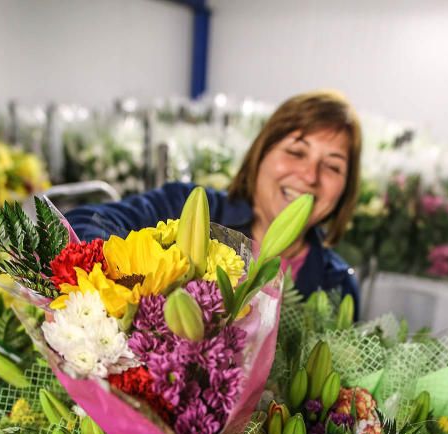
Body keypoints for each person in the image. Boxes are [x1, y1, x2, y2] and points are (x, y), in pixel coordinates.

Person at [64, 89, 363, 318]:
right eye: (297, 152)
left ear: (345, 190)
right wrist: (133, 288)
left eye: (333, 167)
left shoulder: (338, 284)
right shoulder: (186, 209)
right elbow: (85, 221)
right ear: (260, 154)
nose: (310, 176)